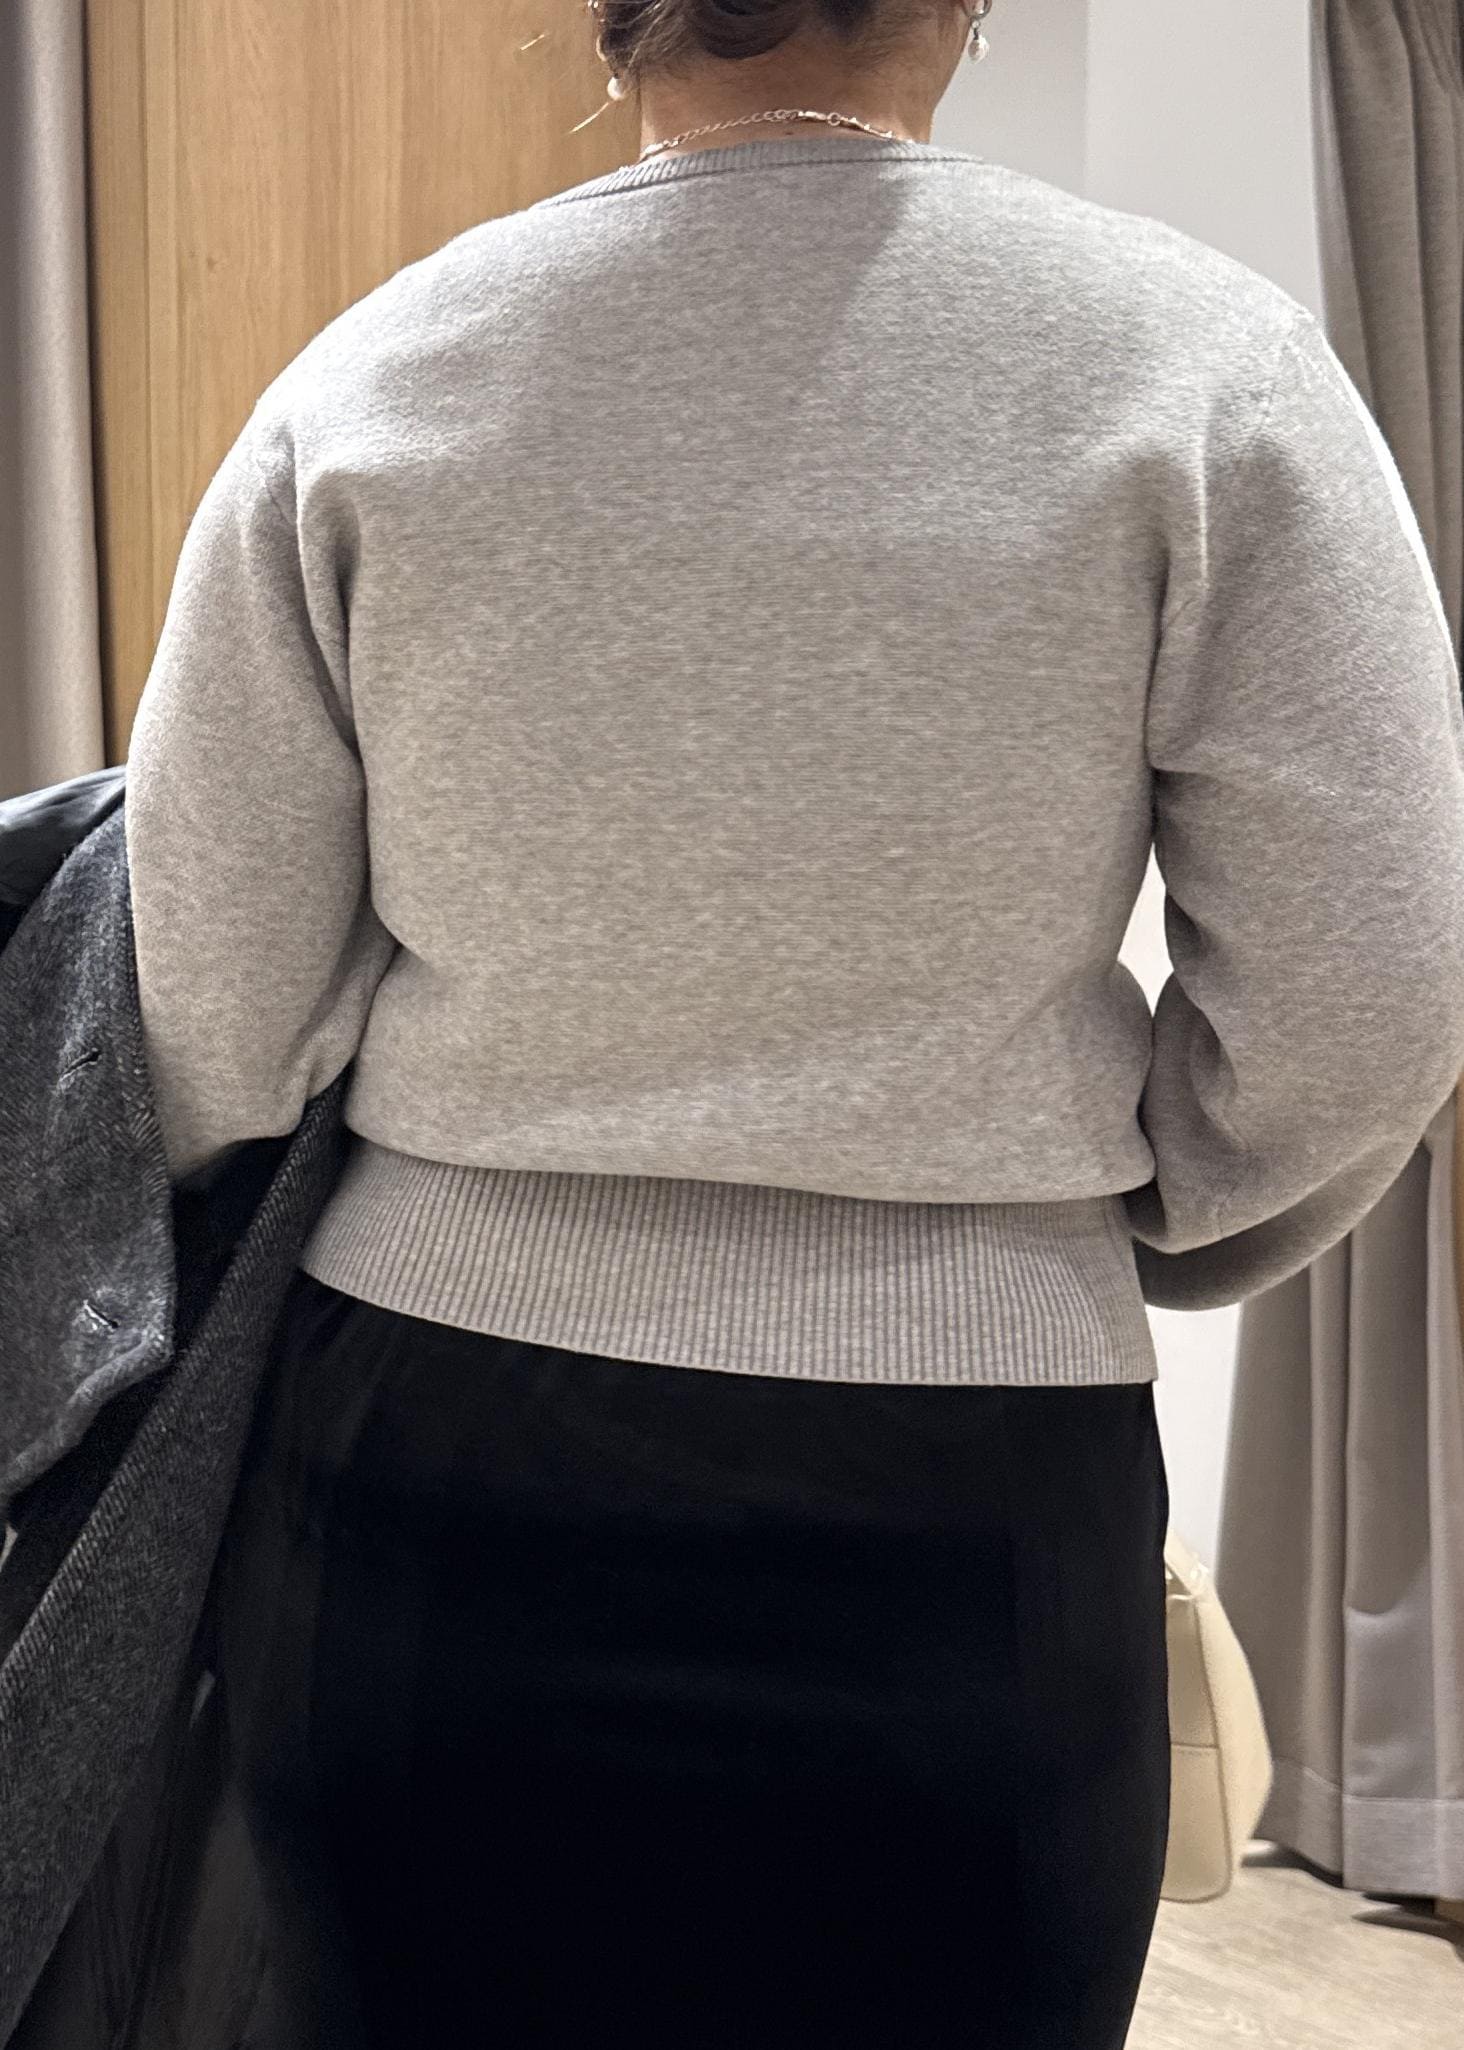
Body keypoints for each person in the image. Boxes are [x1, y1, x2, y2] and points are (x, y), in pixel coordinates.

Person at [118, 0, 1464, 2044]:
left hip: (426, 1460)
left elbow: (211, 1007)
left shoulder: (380, 376)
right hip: (971, 1484)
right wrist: (1122, 1218)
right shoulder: (1204, 372)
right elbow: (1369, 982)